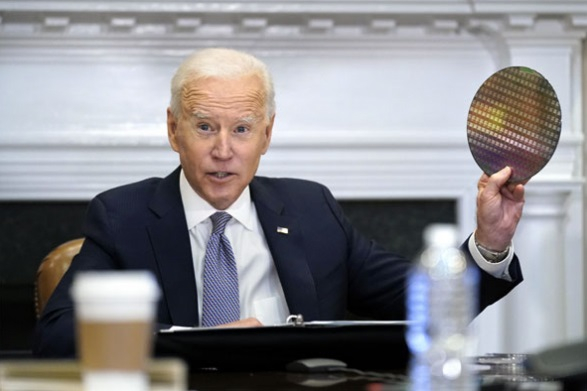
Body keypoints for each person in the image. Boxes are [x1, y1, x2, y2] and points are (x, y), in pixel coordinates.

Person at [33, 47, 525, 358]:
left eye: (242, 129)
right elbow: (55, 338)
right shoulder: (124, 217)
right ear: (172, 129)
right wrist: (195, 342)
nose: (223, 150)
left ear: (266, 134)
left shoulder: (311, 209)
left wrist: (489, 243)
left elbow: (424, 300)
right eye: (205, 127)